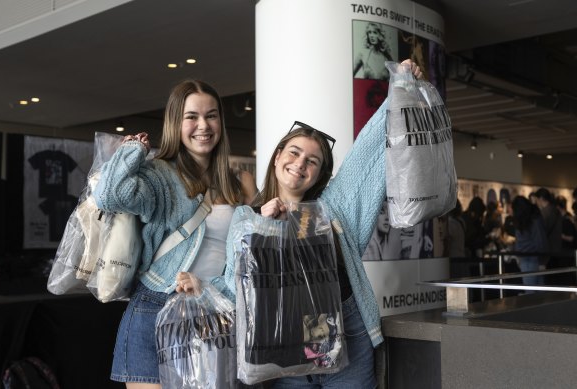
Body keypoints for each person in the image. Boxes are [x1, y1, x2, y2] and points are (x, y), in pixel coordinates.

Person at [222, 60, 423, 387]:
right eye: (294, 153)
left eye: (311, 161)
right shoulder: (246, 217)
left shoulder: (333, 205)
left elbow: (366, 150)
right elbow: (234, 283)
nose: (299, 164)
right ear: (277, 156)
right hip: (283, 340)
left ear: (319, 173)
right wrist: (261, 230)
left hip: (345, 331)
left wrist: (400, 90)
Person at [92, 79, 257, 388]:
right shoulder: (157, 175)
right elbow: (108, 196)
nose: (203, 125)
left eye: (211, 115)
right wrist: (131, 151)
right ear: (175, 123)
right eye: (191, 116)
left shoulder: (241, 184)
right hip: (155, 307)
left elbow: (253, 257)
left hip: (218, 312)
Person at [511, 196, 548, 288]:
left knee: (531, 291)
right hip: (530, 257)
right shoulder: (532, 219)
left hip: (530, 258)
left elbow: (540, 243)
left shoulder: (532, 221)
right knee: (538, 291)